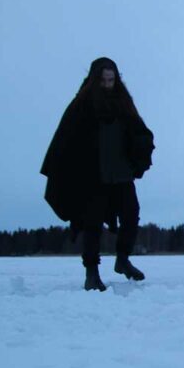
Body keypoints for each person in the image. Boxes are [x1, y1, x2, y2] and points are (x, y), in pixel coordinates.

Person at [41, 57, 155, 291]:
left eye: (111, 80)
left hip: (121, 173)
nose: (107, 84)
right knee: (91, 223)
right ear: (95, 79)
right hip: (92, 175)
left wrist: (141, 151)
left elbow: (139, 130)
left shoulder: (124, 102)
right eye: (103, 80)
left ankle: (123, 260)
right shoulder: (82, 104)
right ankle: (91, 272)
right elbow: (65, 139)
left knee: (131, 214)